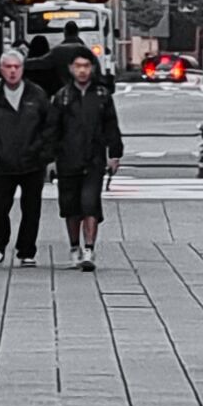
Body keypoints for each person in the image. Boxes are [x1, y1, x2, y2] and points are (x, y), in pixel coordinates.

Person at [0, 44, 60, 265]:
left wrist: (43, 153)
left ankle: (26, 250)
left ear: (23, 69)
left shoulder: (36, 95)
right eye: (8, 67)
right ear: (1, 70)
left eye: (17, 66)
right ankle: (0, 241)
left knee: (31, 208)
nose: (12, 71)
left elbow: (50, 127)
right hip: (5, 162)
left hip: (33, 162)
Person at [56, 57, 125, 269]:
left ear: (92, 68)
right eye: (78, 66)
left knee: (90, 202)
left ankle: (89, 248)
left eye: (86, 66)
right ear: (70, 69)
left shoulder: (102, 96)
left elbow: (111, 125)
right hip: (67, 158)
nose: (82, 70)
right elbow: (53, 128)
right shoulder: (63, 96)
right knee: (70, 206)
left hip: (94, 157)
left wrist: (114, 153)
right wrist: (50, 158)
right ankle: (74, 246)